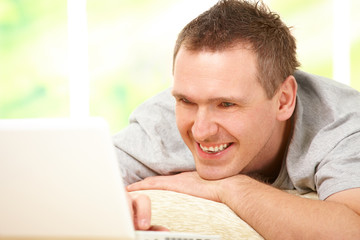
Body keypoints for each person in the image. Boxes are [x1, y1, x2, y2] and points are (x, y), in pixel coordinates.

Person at [115, 0, 360, 238]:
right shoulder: (163, 120)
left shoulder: (343, 127)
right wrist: (109, 203)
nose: (201, 131)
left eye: (226, 104)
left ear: (283, 100)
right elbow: (83, 179)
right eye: (186, 101)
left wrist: (230, 188)